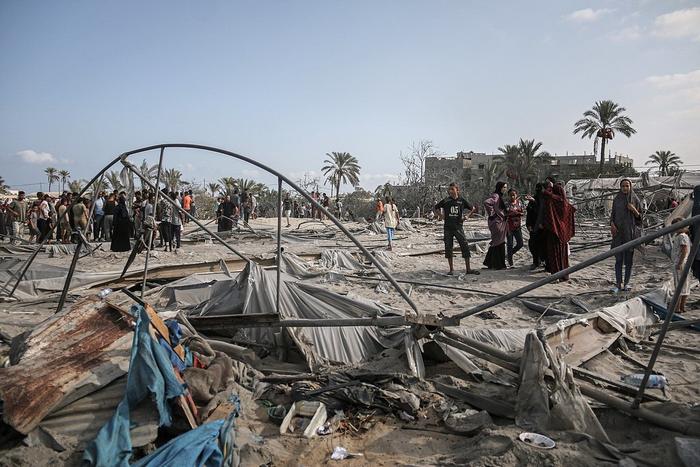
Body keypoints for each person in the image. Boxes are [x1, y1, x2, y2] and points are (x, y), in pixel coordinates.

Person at [434, 183, 479, 276]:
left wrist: (467, 216)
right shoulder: (446, 200)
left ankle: (468, 269)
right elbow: (436, 207)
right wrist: (441, 215)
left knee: (465, 246)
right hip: (448, 228)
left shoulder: (461, 201)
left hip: (458, 227)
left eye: (452, 189)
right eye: (449, 189)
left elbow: (473, 208)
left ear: (457, 190)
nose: (450, 191)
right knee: (448, 247)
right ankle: (451, 269)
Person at [610, 179, 643, 293]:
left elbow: (640, 219)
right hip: (618, 234)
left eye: (627, 186)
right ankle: (618, 284)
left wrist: (634, 210)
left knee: (628, 260)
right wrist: (612, 224)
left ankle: (627, 283)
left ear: (630, 187)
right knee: (618, 259)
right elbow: (612, 215)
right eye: (623, 186)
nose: (625, 188)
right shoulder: (616, 200)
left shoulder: (635, 199)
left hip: (630, 234)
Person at [542, 183, 576, 281]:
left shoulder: (552, 201)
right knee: (563, 255)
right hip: (564, 233)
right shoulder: (566, 203)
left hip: (554, 232)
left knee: (554, 255)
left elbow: (548, 215)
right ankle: (564, 275)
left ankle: (556, 275)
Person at [483, 182, 509, 270]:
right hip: (497, 223)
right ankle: (498, 264)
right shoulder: (496, 196)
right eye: (504, 187)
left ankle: (490, 262)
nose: (505, 189)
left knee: (497, 242)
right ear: (500, 187)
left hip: (500, 222)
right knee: (499, 243)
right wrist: (493, 215)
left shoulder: (499, 196)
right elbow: (486, 202)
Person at [671, 218, 691, 312]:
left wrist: (679, 263)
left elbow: (684, 250)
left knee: (679, 286)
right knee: (685, 285)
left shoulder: (681, 236)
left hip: (680, 263)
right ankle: (682, 307)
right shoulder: (684, 236)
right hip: (684, 263)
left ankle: (678, 308)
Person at [525, 184, 544, 270]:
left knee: (543, 246)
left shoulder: (545, 199)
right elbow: (529, 213)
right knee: (533, 245)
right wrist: (528, 225)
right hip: (534, 227)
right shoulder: (533, 200)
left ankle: (543, 261)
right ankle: (536, 262)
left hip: (543, 227)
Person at [506, 188, 525, 267]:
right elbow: (505, 214)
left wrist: (518, 213)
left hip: (517, 226)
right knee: (510, 244)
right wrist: (513, 214)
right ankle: (510, 262)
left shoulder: (519, 203)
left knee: (520, 243)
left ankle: (509, 255)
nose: (512, 197)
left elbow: (523, 212)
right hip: (509, 227)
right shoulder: (507, 204)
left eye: (514, 195)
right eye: (511, 195)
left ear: (516, 195)